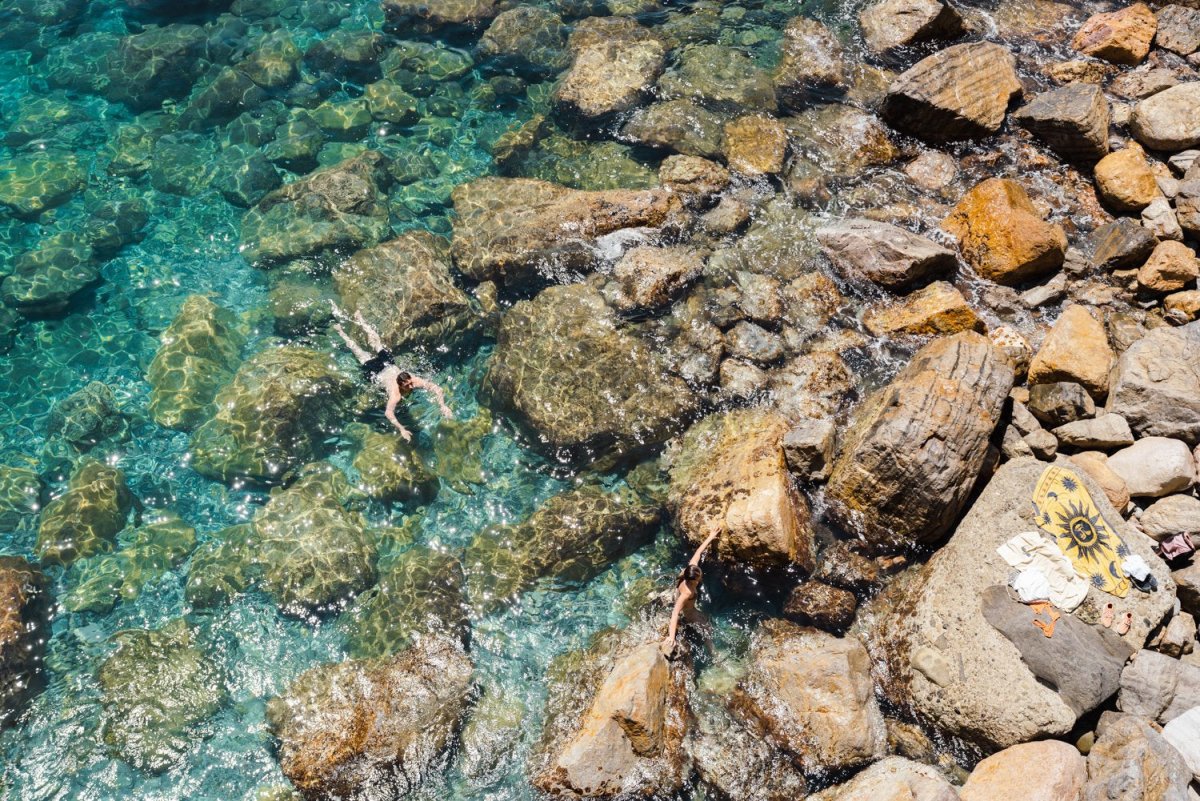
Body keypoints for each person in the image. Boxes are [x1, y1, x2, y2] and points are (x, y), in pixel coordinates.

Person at [329, 302, 452, 441]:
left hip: (389, 364)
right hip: (375, 371)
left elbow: (436, 388)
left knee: (377, 342)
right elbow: (389, 413)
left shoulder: (414, 380)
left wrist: (443, 405)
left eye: (411, 383)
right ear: (400, 385)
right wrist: (401, 428)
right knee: (357, 350)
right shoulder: (396, 395)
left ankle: (360, 320)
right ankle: (341, 331)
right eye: (408, 385)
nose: (412, 386)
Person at [660, 530, 719, 657]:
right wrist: (671, 637)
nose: (701, 575)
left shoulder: (688, 571)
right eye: (699, 577)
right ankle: (714, 656)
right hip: (688, 612)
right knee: (707, 630)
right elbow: (675, 612)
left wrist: (710, 537)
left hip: (677, 596)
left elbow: (698, 553)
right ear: (693, 580)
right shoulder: (688, 593)